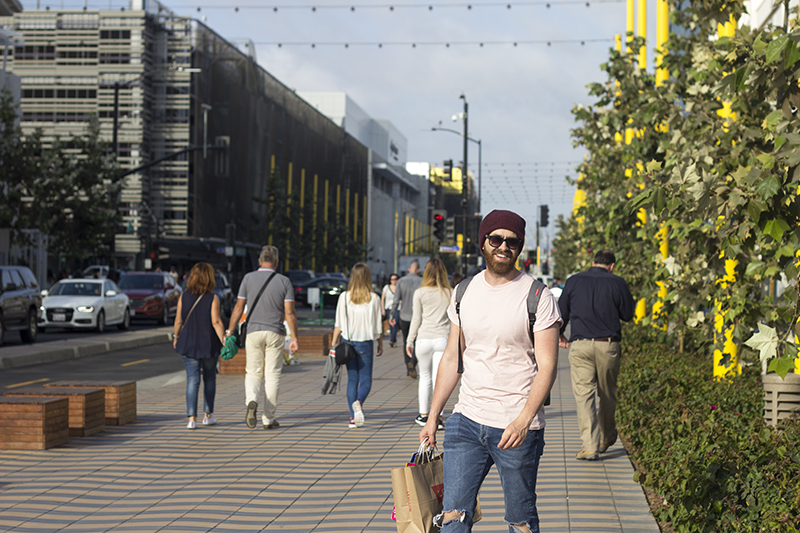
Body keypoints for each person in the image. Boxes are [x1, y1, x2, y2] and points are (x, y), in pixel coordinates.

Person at [419, 209, 561, 533]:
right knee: (453, 516)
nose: (503, 246)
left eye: (512, 241)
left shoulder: (538, 296)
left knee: (520, 520)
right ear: (482, 243)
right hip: (465, 423)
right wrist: (432, 417)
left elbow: (548, 366)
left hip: (516, 428)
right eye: (496, 238)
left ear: (520, 247)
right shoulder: (463, 292)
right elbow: (453, 360)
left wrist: (524, 420)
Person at [557, 249, 635, 461]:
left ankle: (590, 446)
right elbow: (628, 315)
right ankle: (607, 436)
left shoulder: (574, 281)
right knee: (607, 393)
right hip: (608, 346)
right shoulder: (617, 282)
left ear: (592, 262)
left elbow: (560, 312)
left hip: (580, 345)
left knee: (584, 396)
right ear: (611, 266)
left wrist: (560, 335)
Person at [226, 246, 299, 430]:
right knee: (272, 375)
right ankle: (268, 418)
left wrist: (230, 331)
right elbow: (290, 313)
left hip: (253, 332)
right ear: (277, 262)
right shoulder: (284, 282)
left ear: (259, 261)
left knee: (253, 372)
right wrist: (295, 337)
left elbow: (238, 307)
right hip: (275, 332)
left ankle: (251, 401)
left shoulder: (248, 278)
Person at [331, 262, 384, 428]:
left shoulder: (344, 297)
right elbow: (377, 325)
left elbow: (338, 323)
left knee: (352, 380)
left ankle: (353, 417)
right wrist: (380, 342)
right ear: (367, 278)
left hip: (347, 343)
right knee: (366, 380)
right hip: (365, 343)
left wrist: (333, 343)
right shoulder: (374, 298)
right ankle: (359, 403)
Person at [173, 262, 225, 430]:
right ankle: (208, 415)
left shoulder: (183, 296)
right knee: (209, 377)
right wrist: (224, 339)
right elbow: (216, 322)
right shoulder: (213, 298)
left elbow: (179, 321)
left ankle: (191, 419)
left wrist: (176, 336)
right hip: (208, 343)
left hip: (188, 343)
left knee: (192, 380)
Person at [406, 257, 451, 428]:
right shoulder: (450, 292)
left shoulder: (420, 293)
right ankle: (438, 417)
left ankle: (424, 415)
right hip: (442, 339)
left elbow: (416, 319)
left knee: (424, 378)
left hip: (424, 339)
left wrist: (410, 341)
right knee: (440, 380)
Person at [390, 260, 422, 378]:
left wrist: (392, 315)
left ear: (409, 269)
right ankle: (413, 362)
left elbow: (396, 300)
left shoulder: (401, 281)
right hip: (417, 317)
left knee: (406, 341)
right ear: (418, 270)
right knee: (417, 341)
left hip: (404, 316)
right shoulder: (422, 281)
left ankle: (408, 365)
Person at [381, 273, 399, 348]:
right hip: (389, 308)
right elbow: (382, 299)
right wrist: (383, 309)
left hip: (398, 308)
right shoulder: (386, 287)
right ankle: (393, 340)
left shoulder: (399, 287)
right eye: (392, 279)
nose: (393, 281)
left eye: (395, 279)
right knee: (392, 324)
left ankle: (393, 339)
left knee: (395, 323)